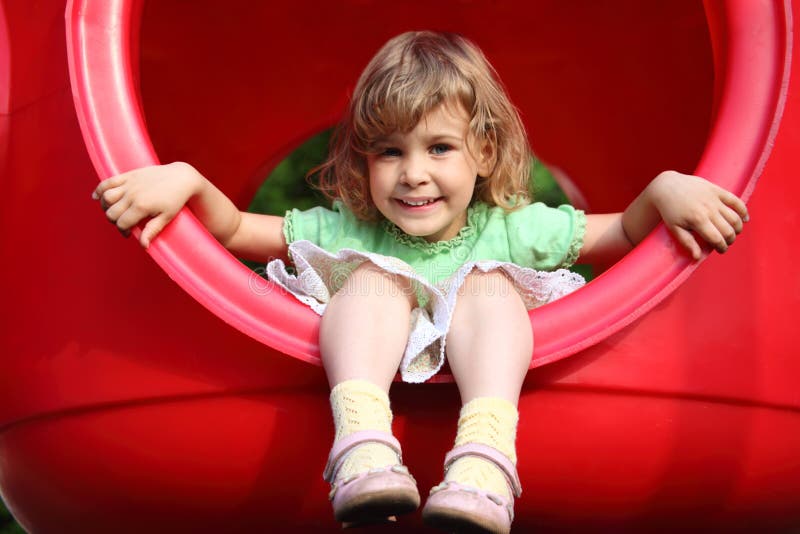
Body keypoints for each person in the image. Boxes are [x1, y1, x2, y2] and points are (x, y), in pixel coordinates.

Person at [92, 31, 748, 534]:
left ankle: (486, 457)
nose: (412, 174)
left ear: (483, 153)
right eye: (389, 151)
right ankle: (362, 448)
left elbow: (625, 236)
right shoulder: (346, 227)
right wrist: (183, 178)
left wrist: (666, 189)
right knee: (373, 278)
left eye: (438, 148)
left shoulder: (513, 229)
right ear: (364, 158)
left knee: (489, 286)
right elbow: (233, 229)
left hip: (486, 399)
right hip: (368, 412)